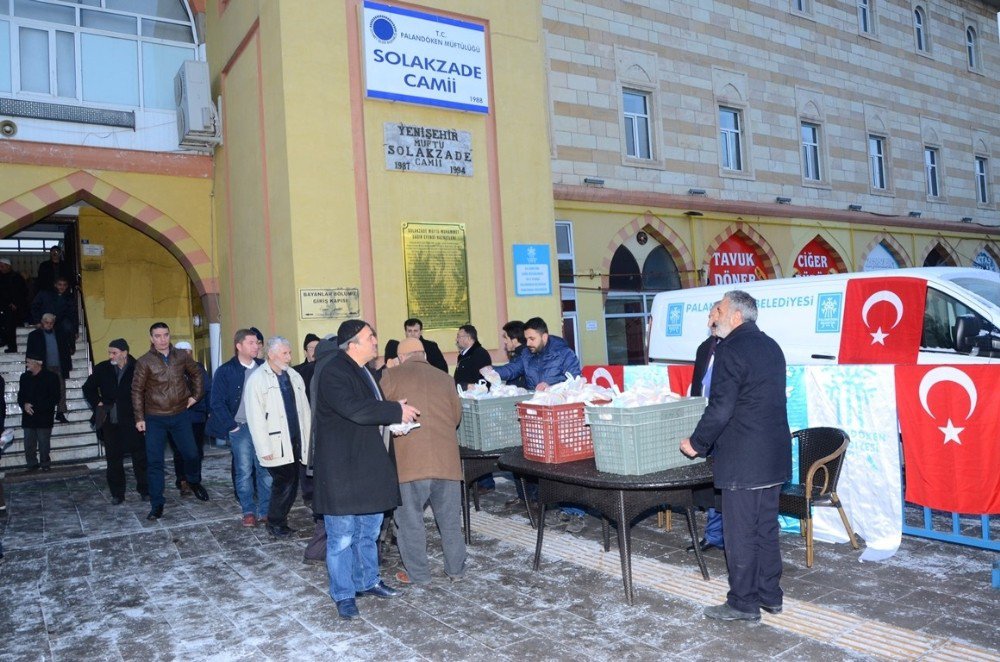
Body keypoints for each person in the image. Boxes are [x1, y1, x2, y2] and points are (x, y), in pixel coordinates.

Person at [680, 290, 791, 622]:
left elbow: (721, 408)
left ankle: (743, 602)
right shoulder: (771, 345)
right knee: (765, 529)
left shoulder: (731, 349)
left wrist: (697, 443)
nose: (714, 315)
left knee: (740, 532)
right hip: (773, 457)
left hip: (744, 459)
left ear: (736, 316)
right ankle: (770, 595)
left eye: (719, 310)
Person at [311, 319, 419, 620]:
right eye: (370, 337)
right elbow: (354, 409)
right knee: (342, 537)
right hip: (341, 470)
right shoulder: (333, 370)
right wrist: (395, 410)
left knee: (369, 531)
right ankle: (344, 594)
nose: (376, 341)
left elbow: (368, 410)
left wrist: (391, 418)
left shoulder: (364, 371)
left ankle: (367, 580)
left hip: (367, 466)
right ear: (353, 344)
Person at [483, 317, 584, 529]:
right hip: (537, 416)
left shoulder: (564, 354)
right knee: (538, 461)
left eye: (532, 338)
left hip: (560, 417)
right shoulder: (528, 355)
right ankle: (543, 501)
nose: (527, 342)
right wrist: (492, 372)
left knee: (566, 465)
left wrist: (553, 386)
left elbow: (576, 381)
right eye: (526, 338)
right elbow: (512, 369)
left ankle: (574, 511)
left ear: (544, 336)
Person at [380, 337, 466, 585]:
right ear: (424, 355)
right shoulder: (445, 378)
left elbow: (381, 411)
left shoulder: (391, 376)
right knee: (450, 522)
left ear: (401, 358)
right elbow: (456, 417)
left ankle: (419, 575)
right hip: (447, 463)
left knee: (410, 523)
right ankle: (455, 571)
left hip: (409, 465)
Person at [131, 322, 209, 520]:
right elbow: (137, 390)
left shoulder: (181, 356)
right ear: (151, 338)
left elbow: (197, 373)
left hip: (180, 414)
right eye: (157, 336)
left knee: (192, 454)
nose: (162, 339)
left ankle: (193, 480)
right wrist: (139, 417)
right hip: (155, 418)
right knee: (155, 462)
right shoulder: (144, 361)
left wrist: (195, 396)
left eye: (165, 335)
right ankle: (157, 503)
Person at [245, 336, 311, 538]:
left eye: (289, 353)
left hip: (295, 440)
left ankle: (278, 521)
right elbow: (255, 419)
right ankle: (275, 523)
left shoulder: (294, 376)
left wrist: (308, 440)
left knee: (290, 482)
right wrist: (265, 450)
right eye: (285, 353)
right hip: (275, 443)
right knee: (284, 481)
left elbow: (304, 410)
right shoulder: (257, 379)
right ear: (271, 354)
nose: (289, 357)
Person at [207, 329, 269, 527]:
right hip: (240, 428)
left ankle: (265, 511)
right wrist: (231, 426)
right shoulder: (226, 371)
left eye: (257, 342)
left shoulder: (264, 368)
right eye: (251, 342)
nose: (256, 346)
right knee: (243, 471)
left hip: (263, 428)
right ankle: (248, 510)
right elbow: (216, 402)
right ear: (239, 346)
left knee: (265, 470)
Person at [82, 338, 149, 504]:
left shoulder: (138, 367)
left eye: (114, 352)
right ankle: (117, 494)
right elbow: (87, 387)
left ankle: (145, 490)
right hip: (111, 422)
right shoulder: (103, 368)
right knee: (113, 459)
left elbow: (147, 392)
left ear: (124, 353)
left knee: (140, 458)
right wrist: (97, 402)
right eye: (109, 352)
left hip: (134, 421)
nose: (111, 355)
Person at [688, 301, 725, 553]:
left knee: (723, 483)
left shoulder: (734, 349)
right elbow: (696, 387)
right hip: (705, 422)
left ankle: (724, 534)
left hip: (726, 425)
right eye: (709, 317)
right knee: (709, 484)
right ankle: (713, 535)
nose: (710, 322)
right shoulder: (704, 348)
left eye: (714, 316)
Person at [169, 341, 211, 496]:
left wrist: (209, 411)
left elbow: (207, 389)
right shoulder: (171, 369)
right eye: (181, 351)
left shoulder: (199, 368)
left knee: (196, 451)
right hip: (177, 417)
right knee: (180, 451)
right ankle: (182, 481)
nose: (185, 354)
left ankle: (195, 480)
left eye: (187, 351)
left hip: (197, 417)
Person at [25, 313, 72, 423]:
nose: (49, 325)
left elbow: (65, 351)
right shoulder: (34, 335)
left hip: (58, 367)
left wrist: (67, 366)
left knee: (61, 390)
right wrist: (31, 367)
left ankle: (60, 413)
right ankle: (44, 413)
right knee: (43, 391)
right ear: (42, 322)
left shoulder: (60, 334)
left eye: (51, 323)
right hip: (42, 368)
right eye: (47, 322)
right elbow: (29, 353)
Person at [18, 353, 60, 472]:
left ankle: (45, 464)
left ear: (38, 363)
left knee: (44, 443)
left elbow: (55, 397)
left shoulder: (51, 377)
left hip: (44, 415)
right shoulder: (24, 377)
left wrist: (39, 407)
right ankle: (31, 464)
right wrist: (24, 405)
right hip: (28, 416)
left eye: (29, 362)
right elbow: (20, 396)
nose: (27, 365)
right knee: (28, 443)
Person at [384, 318, 448, 373]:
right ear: (405, 332)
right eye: (409, 331)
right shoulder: (400, 348)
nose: (412, 334)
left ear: (420, 332)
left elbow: (443, 369)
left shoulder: (431, 347)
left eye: (415, 331)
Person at [0, 258, 28, 353]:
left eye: (2, 266)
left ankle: (12, 347)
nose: (1, 268)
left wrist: (15, 303)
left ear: (8, 266)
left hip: (12, 307)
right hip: (2, 305)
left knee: (9, 326)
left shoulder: (16, 277)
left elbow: (22, 292)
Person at [453, 324, 492, 390]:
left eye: (459, 336)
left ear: (468, 338)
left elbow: (483, 379)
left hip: (474, 396)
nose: (457, 339)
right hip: (463, 393)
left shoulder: (480, 354)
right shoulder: (462, 355)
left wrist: (466, 387)